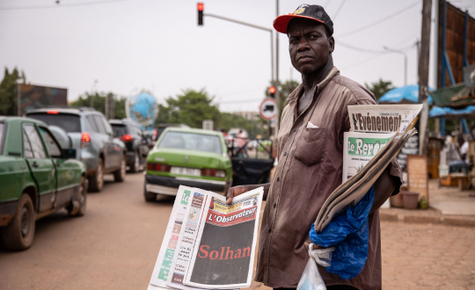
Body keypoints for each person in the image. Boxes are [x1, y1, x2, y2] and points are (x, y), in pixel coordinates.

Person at [226, 4, 402, 290]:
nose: (302, 45)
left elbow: (385, 179)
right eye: (294, 40)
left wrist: (337, 234)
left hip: (331, 271)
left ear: (330, 43)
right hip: (288, 265)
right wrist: (253, 192)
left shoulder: (353, 100)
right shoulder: (291, 105)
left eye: (312, 36)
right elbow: (300, 185)